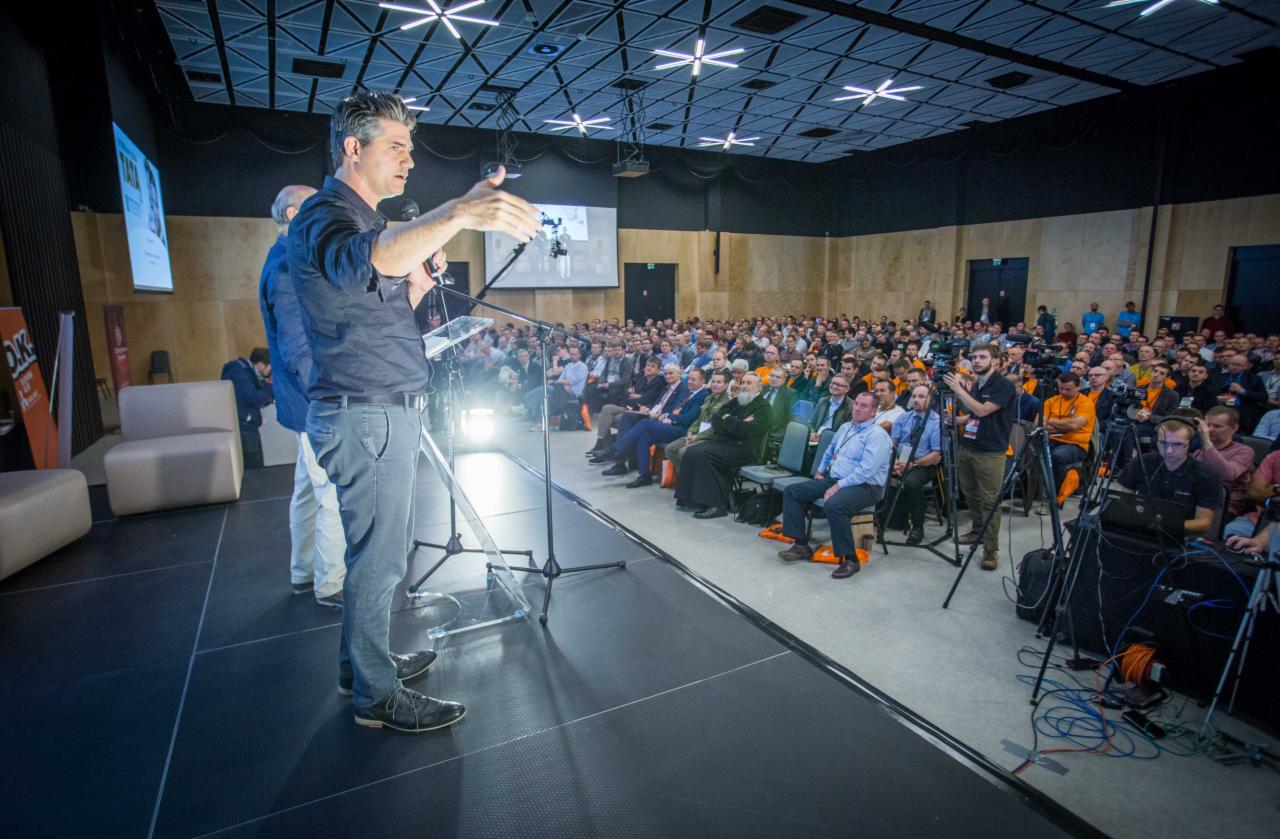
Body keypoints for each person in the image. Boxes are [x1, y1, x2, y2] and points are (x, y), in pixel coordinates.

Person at [291, 92, 540, 733]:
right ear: (355, 147)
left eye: (410, 149)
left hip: (374, 409)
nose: (409, 161)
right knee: (380, 561)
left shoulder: (360, 222)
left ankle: (361, 664)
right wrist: (458, 210)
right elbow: (368, 261)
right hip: (366, 414)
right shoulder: (326, 216)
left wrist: (418, 287)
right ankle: (376, 696)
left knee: (375, 554)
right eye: (396, 147)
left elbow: (375, 301)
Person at [258, 183, 347, 607]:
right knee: (331, 490)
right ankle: (331, 583)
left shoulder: (287, 260)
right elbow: (297, 347)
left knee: (308, 492)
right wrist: (328, 397)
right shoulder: (286, 269)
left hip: (302, 402)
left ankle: (303, 572)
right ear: (295, 215)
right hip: (313, 402)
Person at [776, 392, 893, 579]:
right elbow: (830, 451)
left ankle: (851, 559)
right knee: (793, 491)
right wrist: (820, 472)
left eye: (864, 406)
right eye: (857, 404)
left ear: (873, 411)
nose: (858, 408)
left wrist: (838, 486)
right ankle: (800, 544)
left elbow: (866, 470)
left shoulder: (877, 435)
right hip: (835, 478)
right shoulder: (846, 427)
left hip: (866, 487)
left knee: (834, 505)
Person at [943, 344, 1017, 570]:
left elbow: (985, 410)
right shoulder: (977, 384)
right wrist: (960, 421)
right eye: (974, 357)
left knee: (989, 500)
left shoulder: (1003, 385)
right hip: (969, 445)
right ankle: (977, 530)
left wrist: (959, 389)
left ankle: (990, 549)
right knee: (971, 494)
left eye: (982, 357)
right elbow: (976, 414)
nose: (976, 361)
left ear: (994, 361)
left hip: (991, 451)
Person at [674, 372, 771, 519]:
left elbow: (749, 432)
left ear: (759, 388)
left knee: (703, 455)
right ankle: (690, 499)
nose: (744, 386)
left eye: (749, 383)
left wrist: (730, 421)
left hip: (745, 449)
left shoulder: (763, 407)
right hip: (725, 443)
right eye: (743, 383)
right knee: (692, 451)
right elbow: (717, 418)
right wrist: (738, 421)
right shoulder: (737, 400)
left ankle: (717, 505)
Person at [599, 368, 709, 487]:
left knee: (645, 423)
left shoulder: (702, 396)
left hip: (683, 431)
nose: (690, 382)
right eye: (689, 379)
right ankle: (644, 475)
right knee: (643, 436)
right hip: (672, 424)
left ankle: (616, 450)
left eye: (694, 379)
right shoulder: (690, 392)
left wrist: (668, 415)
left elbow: (688, 419)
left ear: (703, 381)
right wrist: (670, 417)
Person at [1115, 419, 1219, 535]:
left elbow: (1203, 523)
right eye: (1163, 443)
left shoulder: (1205, 475)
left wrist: (1164, 525)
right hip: (1142, 529)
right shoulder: (1141, 462)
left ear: (1191, 445)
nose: (1169, 451)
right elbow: (1124, 502)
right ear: (1155, 442)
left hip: (1179, 535)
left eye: (1177, 444)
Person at [888, 385, 942, 544]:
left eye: (921, 396)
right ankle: (879, 517)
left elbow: (936, 454)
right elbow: (892, 444)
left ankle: (917, 526)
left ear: (930, 399)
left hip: (924, 463)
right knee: (876, 472)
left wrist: (913, 464)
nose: (916, 400)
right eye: (914, 396)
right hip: (900, 459)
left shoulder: (937, 422)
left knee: (912, 482)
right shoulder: (903, 418)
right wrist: (895, 462)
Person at [663, 370, 731, 470]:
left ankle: (688, 480)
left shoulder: (727, 403)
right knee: (670, 449)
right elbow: (699, 420)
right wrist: (691, 432)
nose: (715, 385)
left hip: (711, 437)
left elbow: (717, 427)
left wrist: (697, 437)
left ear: (726, 385)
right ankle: (684, 477)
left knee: (683, 451)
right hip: (697, 434)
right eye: (713, 381)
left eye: (719, 382)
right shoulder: (708, 398)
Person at [1041, 372, 1095, 497]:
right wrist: (1064, 427)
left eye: (1068, 389)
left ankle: (1054, 494)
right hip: (1050, 438)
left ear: (1078, 387)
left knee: (1056, 456)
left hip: (1076, 444)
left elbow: (1074, 425)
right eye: (1061, 388)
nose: (1063, 392)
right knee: (1029, 452)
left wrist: (1049, 420)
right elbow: (1038, 423)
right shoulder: (1051, 401)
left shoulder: (1086, 403)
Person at [1195, 407, 1255, 518]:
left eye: (1217, 426)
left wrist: (1207, 442)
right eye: (1207, 425)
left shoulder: (1244, 451)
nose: (1210, 430)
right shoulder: (1198, 448)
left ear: (1234, 428)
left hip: (1224, 509)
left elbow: (1227, 474)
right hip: (1195, 501)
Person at [221, 347, 273, 470]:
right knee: (254, 468)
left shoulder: (243, 373)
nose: (271, 373)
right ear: (260, 365)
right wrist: (270, 386)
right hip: (244, 427)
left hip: (246, 424)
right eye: (270, 369)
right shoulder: (239, 374)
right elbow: (255, 398)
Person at [526, 344, 588, 430]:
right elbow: (562, 378)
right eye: (571, 354)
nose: (572, 356)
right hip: (561, 389)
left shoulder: (582, 367)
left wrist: (555, 382)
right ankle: (539, 422)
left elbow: (571, 381)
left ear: (579, 355)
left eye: (574, 354)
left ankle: (527, 400)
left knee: (547, 389)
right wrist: (557, 382)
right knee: (544, 397)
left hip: (574, 393)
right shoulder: (568, 366)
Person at [1222, 450, 1280, 540]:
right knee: (1228, 533)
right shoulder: (1275, 457)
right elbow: (1254, 492)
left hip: (1276, 525)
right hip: (1258, 519)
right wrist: (1277, 489)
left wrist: (1270, 489)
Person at [808, 374, 853, 443]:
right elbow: (812, 423)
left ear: (846, 389)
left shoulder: (851, 406)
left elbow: (847, 432)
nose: (834, 386)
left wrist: (826, 438)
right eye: (832, 383)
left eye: (838, 385)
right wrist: (812, 433)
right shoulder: (822, 401)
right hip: (816, 439)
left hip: (834, 441)